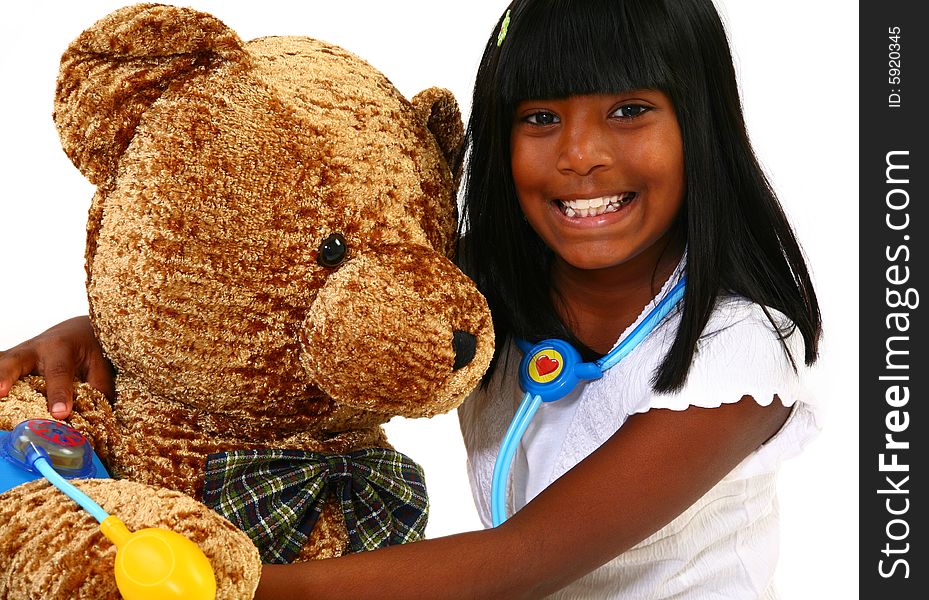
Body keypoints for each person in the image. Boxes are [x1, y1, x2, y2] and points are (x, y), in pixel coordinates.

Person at [0, 0, 821, 597]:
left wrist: (216, 582)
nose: (579, 155)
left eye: (629, 110)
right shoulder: (489, 297)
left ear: (703, 126)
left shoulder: (737, 351)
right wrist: (101, 335)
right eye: (539, 117)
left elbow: (520, 562)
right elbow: (288, 305)